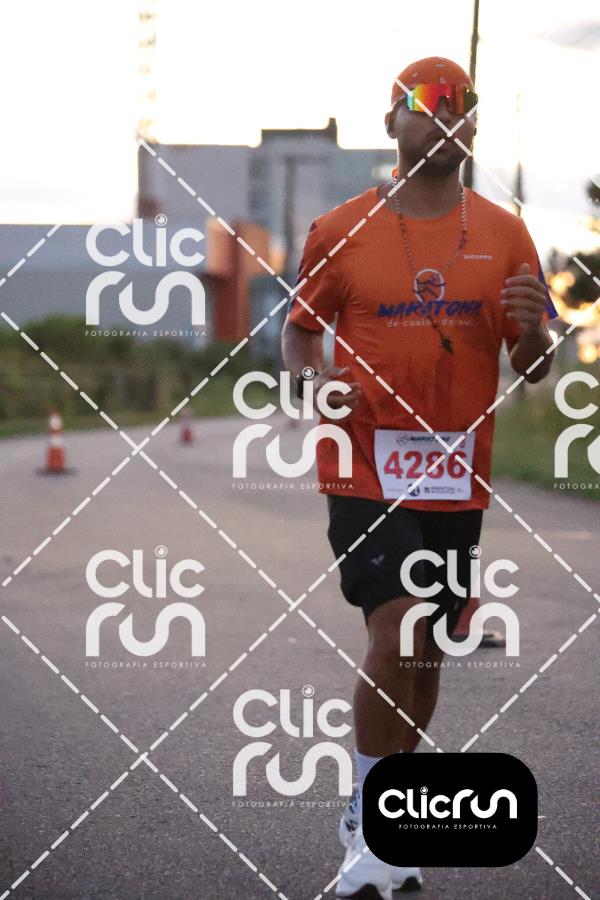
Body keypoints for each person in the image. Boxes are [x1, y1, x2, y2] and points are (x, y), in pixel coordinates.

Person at [282, 56, 557, 899]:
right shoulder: (341, 230)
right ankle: (371, 824)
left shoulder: (507, 234)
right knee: (400, 626)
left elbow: (533, 363)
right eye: (426, 104)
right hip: (363, 462)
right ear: (391, 122)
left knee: (429, 647)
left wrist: (534, 335)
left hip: (454, 475)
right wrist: (311, 382)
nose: (446, 116)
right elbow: (300, 331)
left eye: (462, 105)